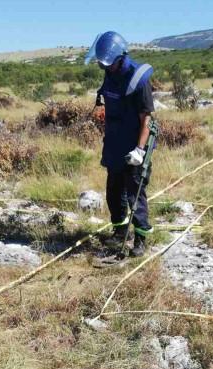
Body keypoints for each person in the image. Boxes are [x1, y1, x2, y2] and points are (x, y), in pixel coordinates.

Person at [85, 31, 155, 257]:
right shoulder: (109, 72)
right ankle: (119, 232)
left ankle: (141, 239)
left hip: (135, 142)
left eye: (106, 62)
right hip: (115, 141)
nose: (102, 66)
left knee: (135, 192)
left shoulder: (139, 79)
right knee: (114, 192)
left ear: (119, 57)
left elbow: (147, 119)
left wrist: (140, 150)